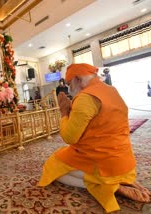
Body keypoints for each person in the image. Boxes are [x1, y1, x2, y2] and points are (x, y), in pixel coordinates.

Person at [38, 63, 150, 213]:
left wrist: (65, 113)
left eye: (70, 83)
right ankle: (118, 180)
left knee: (52, 166)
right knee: (66, 155)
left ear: (78, 79)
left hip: (102, 160)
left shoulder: (85, 98)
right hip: (125, 160)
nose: (69, 88)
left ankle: (111, 186)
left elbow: (69, 137)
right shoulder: (111, 90)